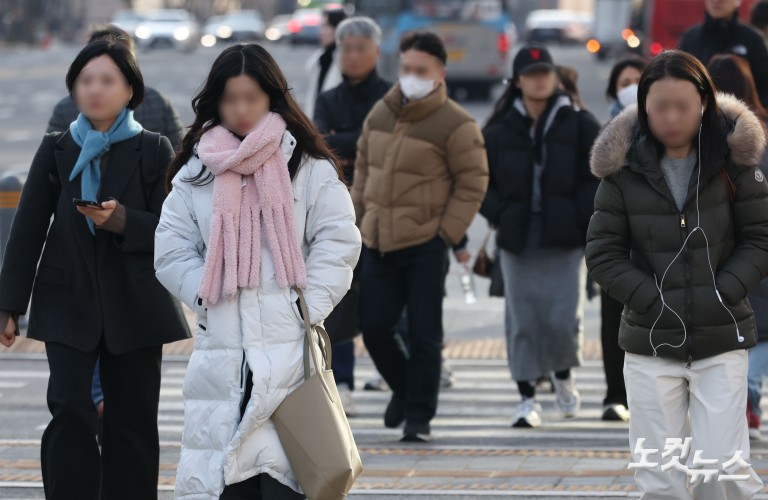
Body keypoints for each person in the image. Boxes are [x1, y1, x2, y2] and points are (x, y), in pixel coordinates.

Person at [154, 43, 360, 499]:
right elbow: (170, 250)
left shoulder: (308, 167)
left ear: (272, 97)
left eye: (252, 97)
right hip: (223, 354)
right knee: (228, 481)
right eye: (230, 98)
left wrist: (305, 306)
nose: (241, 109)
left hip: (289, 353)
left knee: (285, 479)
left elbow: (338, 241)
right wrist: (208, 294)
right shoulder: (197, 171)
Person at [0, 39, 190, 499]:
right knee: (69, 410)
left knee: (132, 419)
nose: (95, 90)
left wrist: (121, 220)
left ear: (129, 90)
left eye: (107, 81)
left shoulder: (152, 148)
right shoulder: (57, 147)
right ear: (74, 90)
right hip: (67, 300)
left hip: (135, 304)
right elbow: (26, 231)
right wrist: (9, 305)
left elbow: (175, 228)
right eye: (85, 81)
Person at [587, 49, 767, 499]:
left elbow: (760, 238)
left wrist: (722, 291)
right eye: (659, 106)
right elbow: (603, 253)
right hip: (649, 340)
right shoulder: (623, 170)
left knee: (719, 468)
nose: (671, 117)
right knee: (659, 474)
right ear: (644, 107)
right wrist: (651, 298)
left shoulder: (733, 161)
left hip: (721, 335)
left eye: (682, 106)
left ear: (703, 103)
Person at [353, 31, 488, 443]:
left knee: (426, 335)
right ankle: (406, 389)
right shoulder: (381, 112)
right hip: (377, 240)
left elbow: (473, 182)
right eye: (407, 68)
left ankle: (419, 417)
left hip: (425, 244)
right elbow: (362, 172)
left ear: (440, 73)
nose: (411, 77)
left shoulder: (456, 123)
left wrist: (445, 233)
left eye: (421, 70)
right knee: (375, 326)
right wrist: (357, 223)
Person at [479, 45, 600, 428]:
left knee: (564, 318)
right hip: (517, 236)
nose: (539, 79)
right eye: (531, 73)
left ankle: (562, 375)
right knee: (523, 321)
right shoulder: (498, 129)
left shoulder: (579, 122)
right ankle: (527, 398)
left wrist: (580, 213)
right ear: (517, 81)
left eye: (545, 72)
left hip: (565, 236)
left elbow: (599, 174)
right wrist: (499, 212)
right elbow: (478, 180)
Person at [313, 16, 391, 417]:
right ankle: (341, 378)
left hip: (386, 210)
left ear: (376, 52)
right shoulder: (329, 100)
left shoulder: (391, 97)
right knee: (337, 296)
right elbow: (320, 146)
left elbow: (393, 148)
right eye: (348, 49)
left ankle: (393, 373)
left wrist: (350, 141)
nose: (354, 56)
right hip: (339, 210)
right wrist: (363, 140)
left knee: (384, 301)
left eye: (362, 48)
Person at [708, 53, 768, 441]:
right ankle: (747, 393)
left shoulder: (701, 137)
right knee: (762, 327)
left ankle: (742, 395)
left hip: (716, 245)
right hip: (759, 246)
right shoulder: (762, 132)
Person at [47, 25, 183, 150]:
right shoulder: (65, 111)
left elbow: (179, 155)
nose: (96, 90)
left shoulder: (158, 105)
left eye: (108, 80)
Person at [679, 0, 768, 107]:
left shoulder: (753, 40)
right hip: (699, 117)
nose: (716, 1)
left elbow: (765, 88)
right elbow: (679, 83)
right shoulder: (691, 38)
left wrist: (746, 115)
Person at [303, 8, 346, 115]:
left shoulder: (345, 60)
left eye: (326, 26)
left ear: (338, 28)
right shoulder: (321, 57)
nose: (321, 32)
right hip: (316, 122)